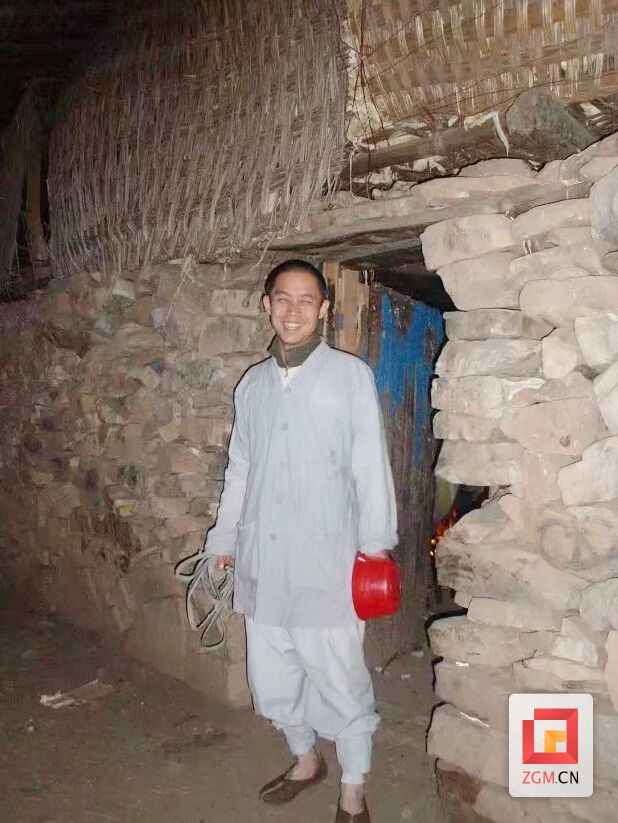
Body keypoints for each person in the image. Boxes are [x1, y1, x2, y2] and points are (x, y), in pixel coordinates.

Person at [203, 259, 398, 823]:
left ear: (324, 309)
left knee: (339, 679)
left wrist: (375, 546)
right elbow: (241, 470)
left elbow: (370, 465)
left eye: (306, 300)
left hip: (326, 561)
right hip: (263, 560)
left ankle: (353, 789)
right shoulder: (252, 385)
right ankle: (306, 760)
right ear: (267, 305)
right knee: (272, 678)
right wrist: (223, 538)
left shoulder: (348, 376)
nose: (293, 311)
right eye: (282, 299)